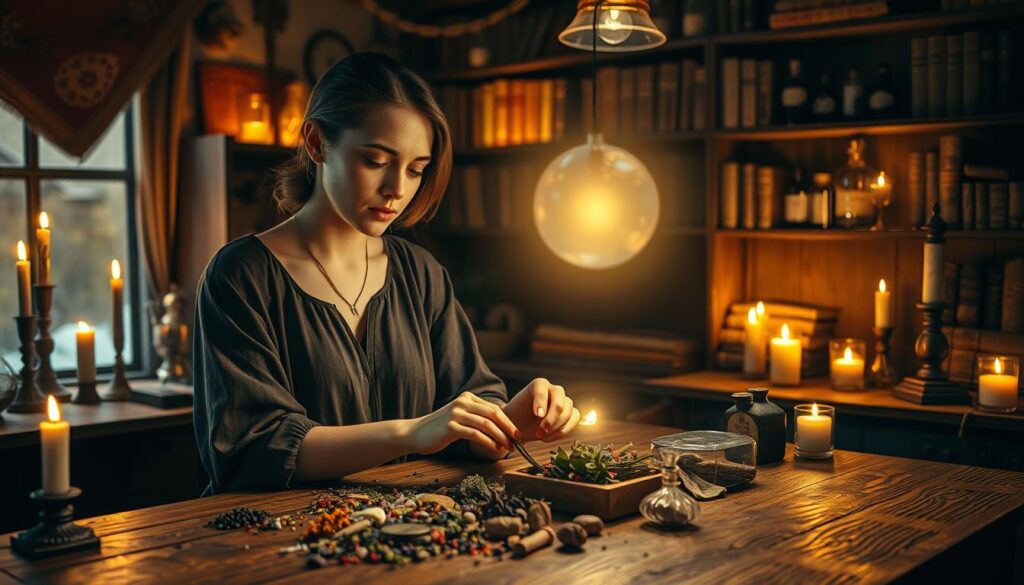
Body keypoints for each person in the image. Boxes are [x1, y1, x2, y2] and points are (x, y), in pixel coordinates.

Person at [193, 52, 580, 494]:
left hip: (407, 530)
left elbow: (467, 403)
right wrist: (413, 432)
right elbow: (254, 447)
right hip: (268, 539)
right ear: (317, 143)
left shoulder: (420, 274)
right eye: (376, 160)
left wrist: (512, 419)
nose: (398, 189)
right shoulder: (241, 277)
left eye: (416, 169)